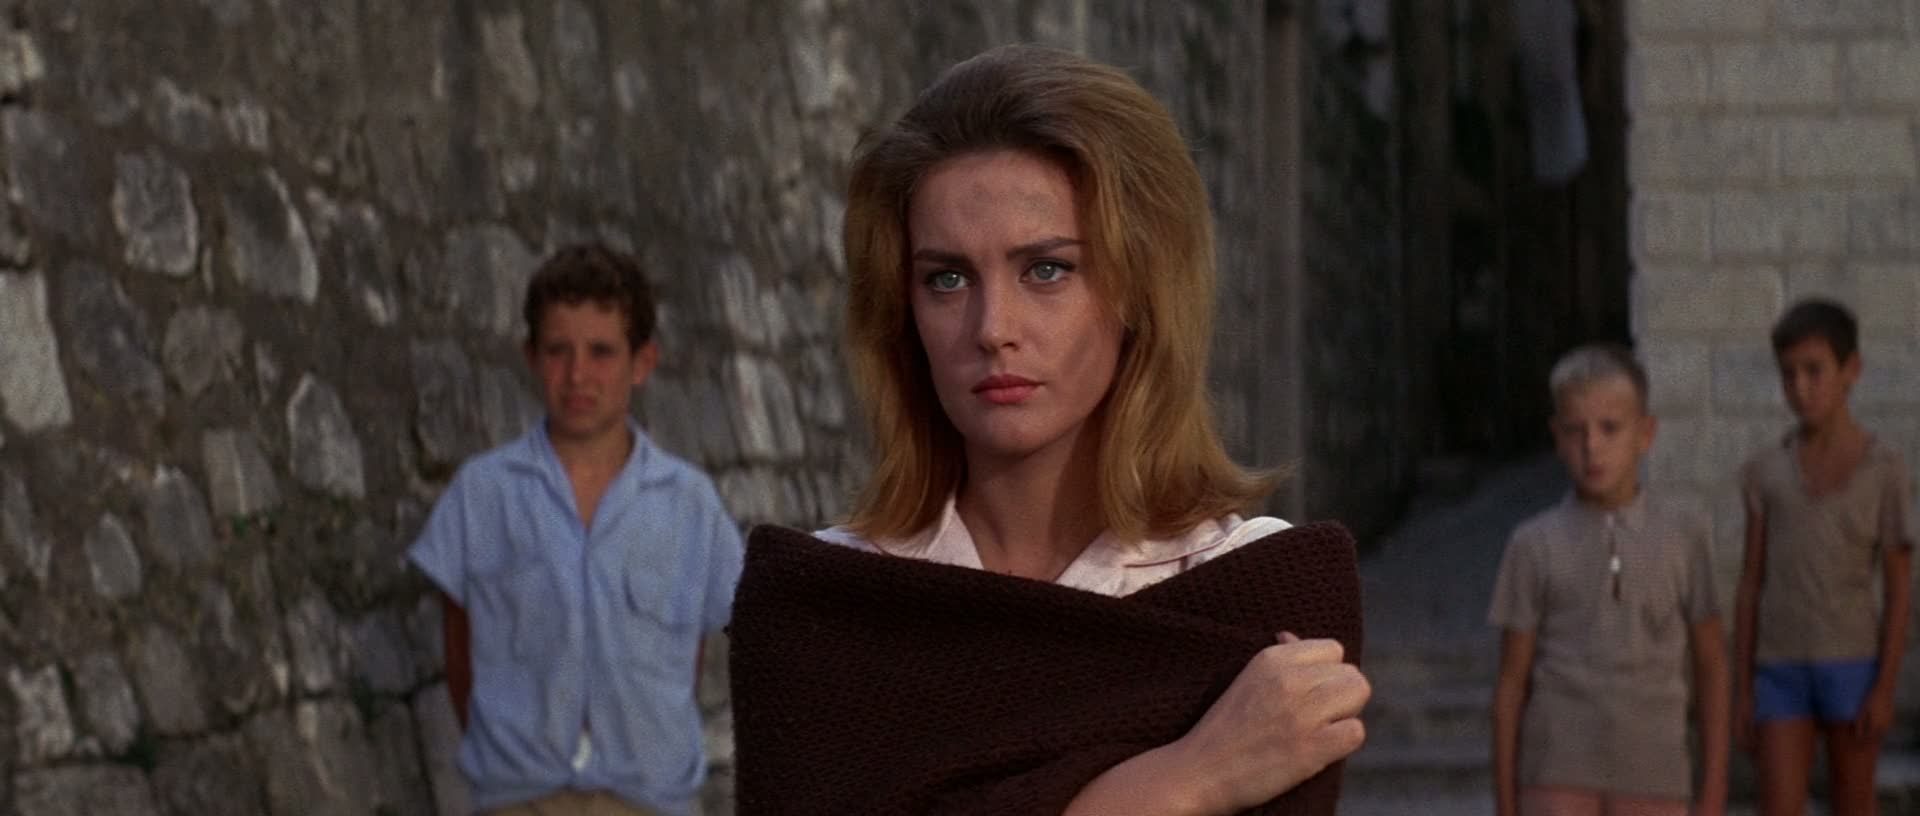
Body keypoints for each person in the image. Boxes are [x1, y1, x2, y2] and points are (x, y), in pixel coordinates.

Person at [728, 44, 1369, 815]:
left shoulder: (1259, 591)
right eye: (947, 279)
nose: (992, 328)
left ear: (1140, 289)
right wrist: (1183, 782)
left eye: (1046, 269)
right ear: (902, 313)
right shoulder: (824, 609)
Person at [408, 244, 744, 816]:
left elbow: (696, 654)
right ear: (531, 357)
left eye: (601, 352)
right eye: (558, 351)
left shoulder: (690, 505)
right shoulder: (482, 496)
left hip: (649, 803)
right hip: (520, 803)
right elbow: (460, 659)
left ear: (643, 362)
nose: (577, 375)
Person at [1488, 343, 1729, 816]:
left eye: (1610, 428)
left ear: (1646, 433)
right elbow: (1511, 682)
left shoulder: (1684, 536)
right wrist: (1505, 801)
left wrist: (1714, 788)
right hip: (1557, 771)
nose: (1592, 447)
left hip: (1655, 774)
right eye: (1576, 431)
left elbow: (1712, 665)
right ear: (1557, 438)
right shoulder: (1533, 543)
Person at [1735, 299, 1913, 816]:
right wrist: (1743, 688)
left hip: (1852, 663)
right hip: (1779, 667)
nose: (1800, 388)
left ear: (1850, 370)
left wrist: (1885, 688)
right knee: (1778, 804)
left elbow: (1899, 589)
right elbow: (1750, 584)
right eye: (1788, 374)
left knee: (1853, 801)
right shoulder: (1766, 471)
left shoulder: (1884, 470)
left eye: (1814, 371)